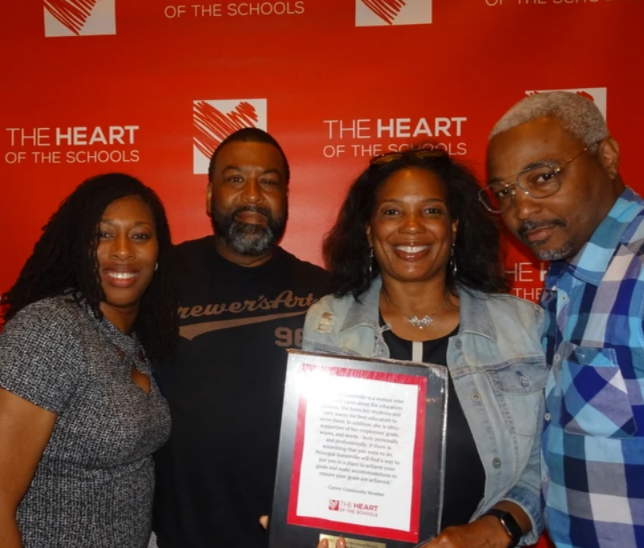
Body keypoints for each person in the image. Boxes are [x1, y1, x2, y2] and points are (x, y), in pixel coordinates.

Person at [302, 149, 547, 548]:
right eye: (392, 212)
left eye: (431, 211)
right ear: (368, 228)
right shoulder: (328, 323)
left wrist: (495, 529)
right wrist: (303, 521)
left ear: (454, 226)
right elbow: (321, 463)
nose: (411, 227)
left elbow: (547, 463)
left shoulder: (521, 327)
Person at [0, 173, 179, 548]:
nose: (123, 250)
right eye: (103, 235)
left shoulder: (135, 341)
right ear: (77, 247)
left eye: (139, 236)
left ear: (158, 255)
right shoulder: (50, 329)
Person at [152, 128, 330, 548]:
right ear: (209, 194)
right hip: (180, 536)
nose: (252, 195)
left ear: (286, 196)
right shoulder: (158, 280)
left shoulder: (329, 296)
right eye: (235, 179)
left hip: (292, 538)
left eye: (268, 182)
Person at [485, 91, 643, 548]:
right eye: (504, 193)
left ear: (607, 157)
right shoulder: (567, 280)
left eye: (543, 177)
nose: (522, 209)